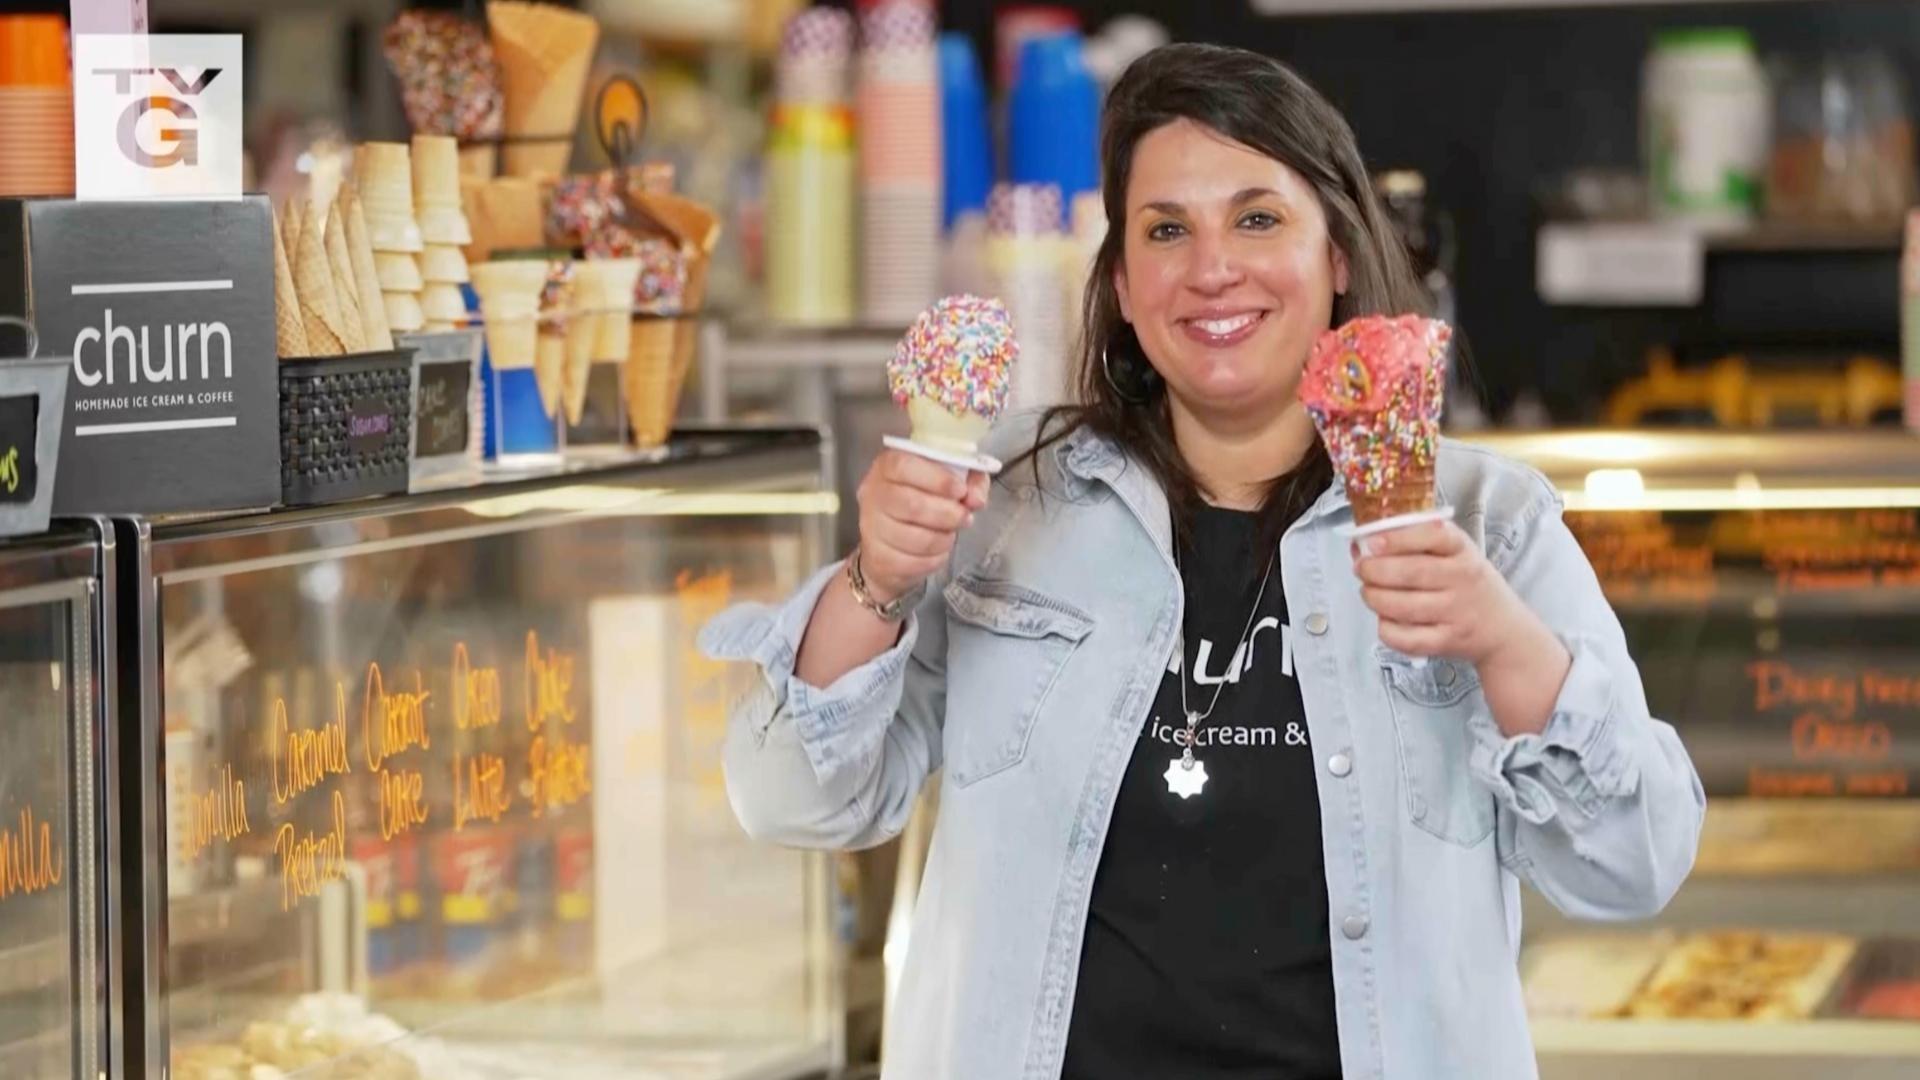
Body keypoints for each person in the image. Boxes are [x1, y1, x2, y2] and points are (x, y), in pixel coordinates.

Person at [702, 43, 1704, 1080]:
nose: (1211, 266)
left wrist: (1502, 642)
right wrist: (878, 575)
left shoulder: (1487, 520)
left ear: (1339, 257)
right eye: (1166, 230)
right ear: (1126, 287)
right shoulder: (1004, 502)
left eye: (1258, 217)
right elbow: (788, 800)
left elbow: (1632, 864)